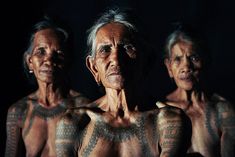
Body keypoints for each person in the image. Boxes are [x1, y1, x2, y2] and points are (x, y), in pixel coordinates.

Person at [55, 8, 187, 157]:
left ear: (146, 61)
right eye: (105, 50)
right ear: (94, 68)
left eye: (127, 48)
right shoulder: (74, 123)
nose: (116, 59)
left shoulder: (168, 121)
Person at [5, 18, 90, 157]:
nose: (49, 60)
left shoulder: (83, 108)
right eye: (41, 51)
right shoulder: (19, 111)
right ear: (29, 61)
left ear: (68, 62)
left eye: (59, 54)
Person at [157, 26, 235, 157]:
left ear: (206, 61)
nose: (186, 67)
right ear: (169, 67)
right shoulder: (158, 110)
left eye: (194, 58)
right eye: (177, 59)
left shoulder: (223, 112)